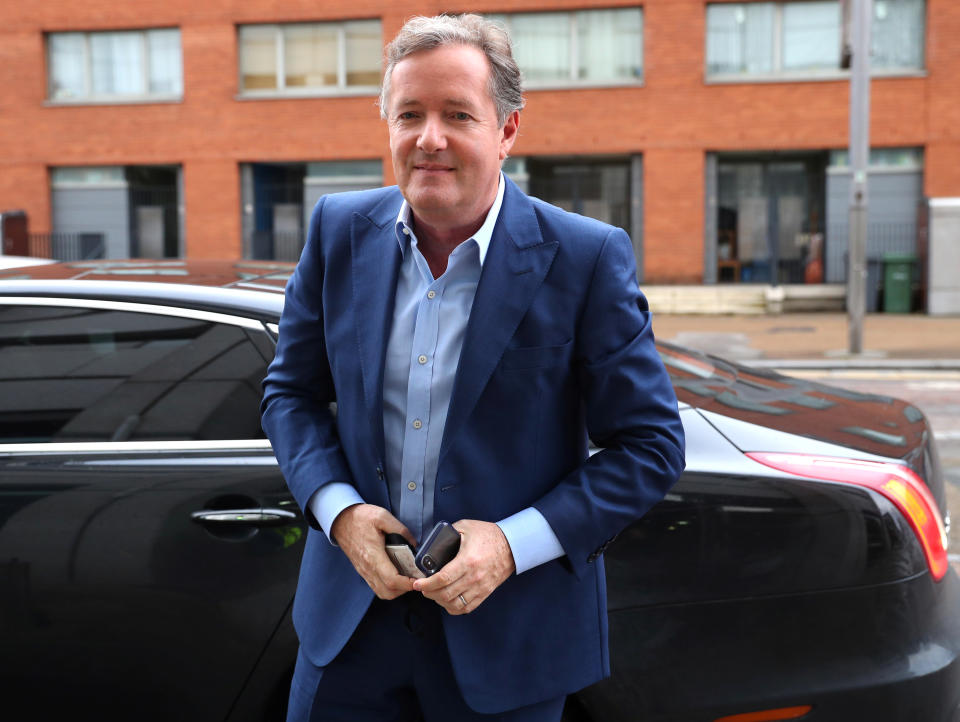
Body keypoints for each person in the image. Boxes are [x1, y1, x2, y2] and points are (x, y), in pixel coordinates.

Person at [261, 13, 685, 722]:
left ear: (508, 131)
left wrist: (512, 545)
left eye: (458, 114)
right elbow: (289, 395)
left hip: (507, 640)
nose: (430, 138)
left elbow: (650, 446)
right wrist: (338, 513)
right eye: (410, 115)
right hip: (349, 637)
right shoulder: (337, 231)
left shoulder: (584, 258)